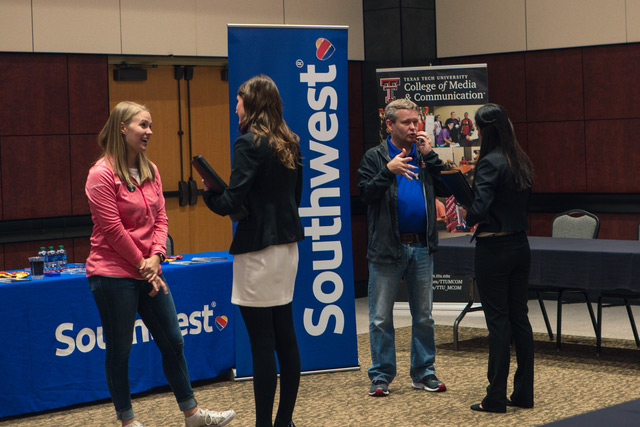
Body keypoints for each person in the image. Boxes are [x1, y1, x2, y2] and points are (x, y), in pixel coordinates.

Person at [85, 101, 236, 427]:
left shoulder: (151, 169)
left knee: (173, 341)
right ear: (122, 128)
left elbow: (161, 218)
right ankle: (128, 421)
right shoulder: (100, 174)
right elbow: (112, 230)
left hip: (149, 269)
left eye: (150, 125)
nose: (149, 132)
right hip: (113, 274)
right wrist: (144, 264)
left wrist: (156, 257)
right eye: (143, 125)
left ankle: (192, 415)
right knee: (119, 351)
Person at [203, 75, 304, 427]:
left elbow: (234, 199)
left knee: (261, 343)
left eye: (239, 101)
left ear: (254, 104)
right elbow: (296, 200)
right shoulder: (291, 142)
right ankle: (283, 421)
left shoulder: (248, 143)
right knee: (285, 337)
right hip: (287, 249)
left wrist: (209, 193)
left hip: (257, 251)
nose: (235, 107)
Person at [358, 98, 451, 397]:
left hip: (421, 247)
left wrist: (431, 155)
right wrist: (388, 170)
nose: (413, 127)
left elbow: (449, 190)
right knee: (381, 317)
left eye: (416, 122)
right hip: (387, 248)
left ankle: (423, 373)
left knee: (423, 315)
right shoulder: (374, 157)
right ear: (389, 125)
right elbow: (365, 195)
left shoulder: (424, 156)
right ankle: (381, 376)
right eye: (406, 122)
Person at [459, 103, 535, 413]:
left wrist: (467, 212)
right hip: (520, 246)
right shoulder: (520, 160)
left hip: (494, 250)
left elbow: (480, 210)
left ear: (485, 130)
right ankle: (523, 393)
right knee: (520, 319)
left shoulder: (489, 162)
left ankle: (495, 397)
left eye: (477, 128)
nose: (476, 133)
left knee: (498, 322)